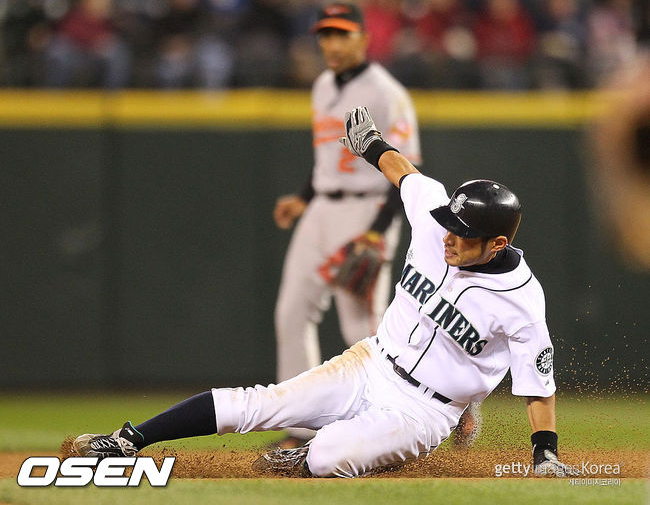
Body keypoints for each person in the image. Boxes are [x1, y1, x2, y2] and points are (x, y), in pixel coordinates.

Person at [73, 106, 565, 479]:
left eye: (464, 233)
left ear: (499, 243)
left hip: (425, 411)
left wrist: (545, 456)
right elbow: (406, 175)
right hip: (370, 362)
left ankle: (311, 456)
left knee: (330, 455)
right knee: (260, 405)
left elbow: (538, 386)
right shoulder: (435, 217)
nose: (449, 237)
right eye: (449, 225)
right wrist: (370, 143)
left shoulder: (520, 301)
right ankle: (126, 440)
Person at [271, 2, 423, 446]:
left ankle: (399, 418)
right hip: (321, 209)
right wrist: (302, 199)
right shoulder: (321, 86)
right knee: (292, 314)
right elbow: (326, 159)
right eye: (326, 35)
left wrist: (376, 231)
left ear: (363, 37)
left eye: (342, 34)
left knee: (363, 328)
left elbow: (405, 171)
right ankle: (301, 428)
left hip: (369, 208)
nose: (332, 44)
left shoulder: (386, 92)